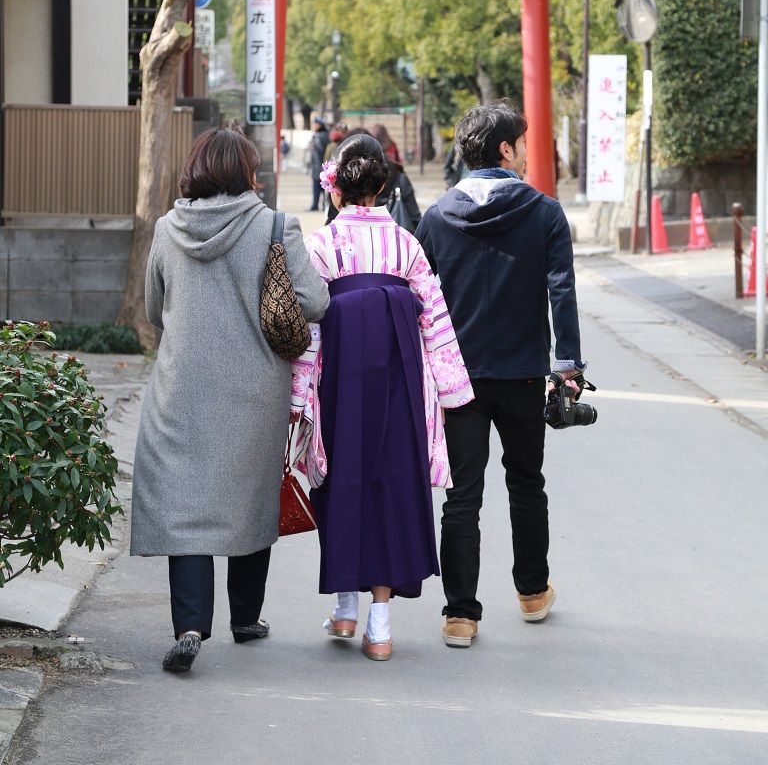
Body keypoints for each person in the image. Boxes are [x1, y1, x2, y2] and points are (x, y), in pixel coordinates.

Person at [130, 127, 329, 674]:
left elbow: (153, 308)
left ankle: (190, 627)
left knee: (184, 506)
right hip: (255, 391)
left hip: (180, 389)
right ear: (245, 172)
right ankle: (245, 617)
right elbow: (315, 301)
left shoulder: (168, 229)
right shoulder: (274, 226)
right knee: (249, 497)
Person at [290, 133, 473, 661]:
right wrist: (451, 392)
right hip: (399, 382)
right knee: (391, 486)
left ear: (337, 190)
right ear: (382, 191)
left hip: (340, 382)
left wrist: (298, 395)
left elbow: (308, 329)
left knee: (339, 481)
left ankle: (346, 607)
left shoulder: (321, 245)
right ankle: (379, 624)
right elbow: (435, 319)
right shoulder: (406, 245)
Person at [415, 100, 585, 648]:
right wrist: (568, 366)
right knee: (526, 482)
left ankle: (460, 616)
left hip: (457, 378)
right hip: (523, 373)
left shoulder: (437, 217)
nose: (527, 153)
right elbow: (561, 290)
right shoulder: (544, 212)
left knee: (462, 495)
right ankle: (532, 593)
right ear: (506, 150)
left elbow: (419, 299)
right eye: (523, 143)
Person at [308, 116, 330, 211]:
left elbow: (319, 151)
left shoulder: (319, 136)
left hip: (319, 166)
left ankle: (315, 205)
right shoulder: (326, 134)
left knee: (318, 187)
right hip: (322, 166)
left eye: (315, 124)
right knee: (324, 187)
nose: (314, 125)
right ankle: (323, 205)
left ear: (320, 125)